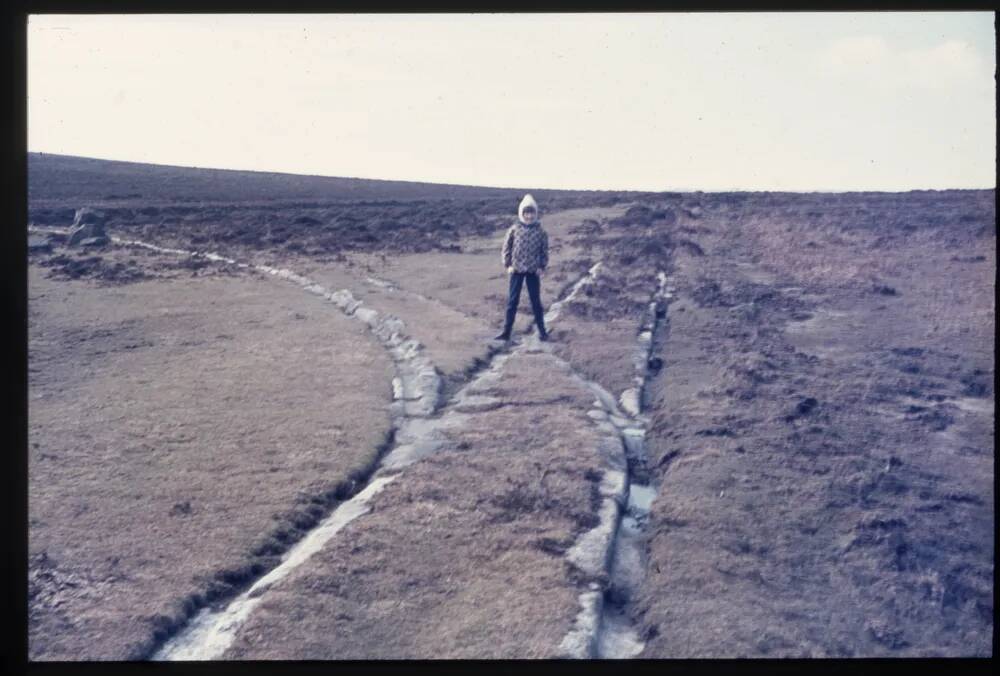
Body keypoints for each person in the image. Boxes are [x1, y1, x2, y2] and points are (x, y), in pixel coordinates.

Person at [495, 194, 549, 342]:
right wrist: (508, 265)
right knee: (512, 302)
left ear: (535, 214)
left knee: (536, 302)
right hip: (516, 270)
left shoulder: (541, 232)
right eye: (526, 213)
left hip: (533, 271)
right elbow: (507, 248)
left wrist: (541, 266)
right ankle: (506, 332)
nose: (529, 216)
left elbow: (544, 251)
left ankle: (542, 332)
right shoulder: (514, 229)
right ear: (521, 213)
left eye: (531, 213)